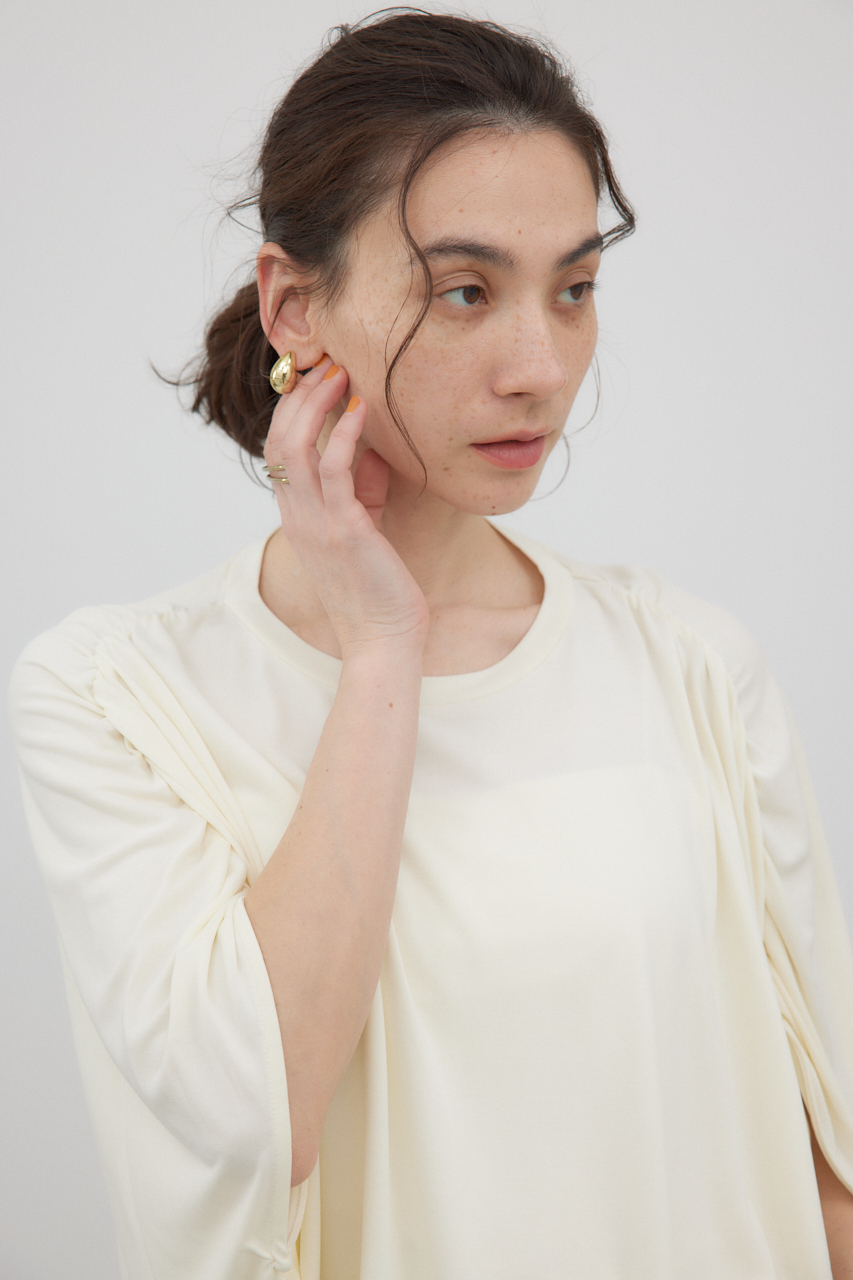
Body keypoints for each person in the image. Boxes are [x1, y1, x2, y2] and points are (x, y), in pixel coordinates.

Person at [9, 9, 853, 1279]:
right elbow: (254, 1115)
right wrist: (381, 651)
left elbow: (824, 1166)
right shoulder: (116, 695)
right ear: (294, 304)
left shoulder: (692, 664)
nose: (540, 366)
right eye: (466, 291)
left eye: (574, 289)